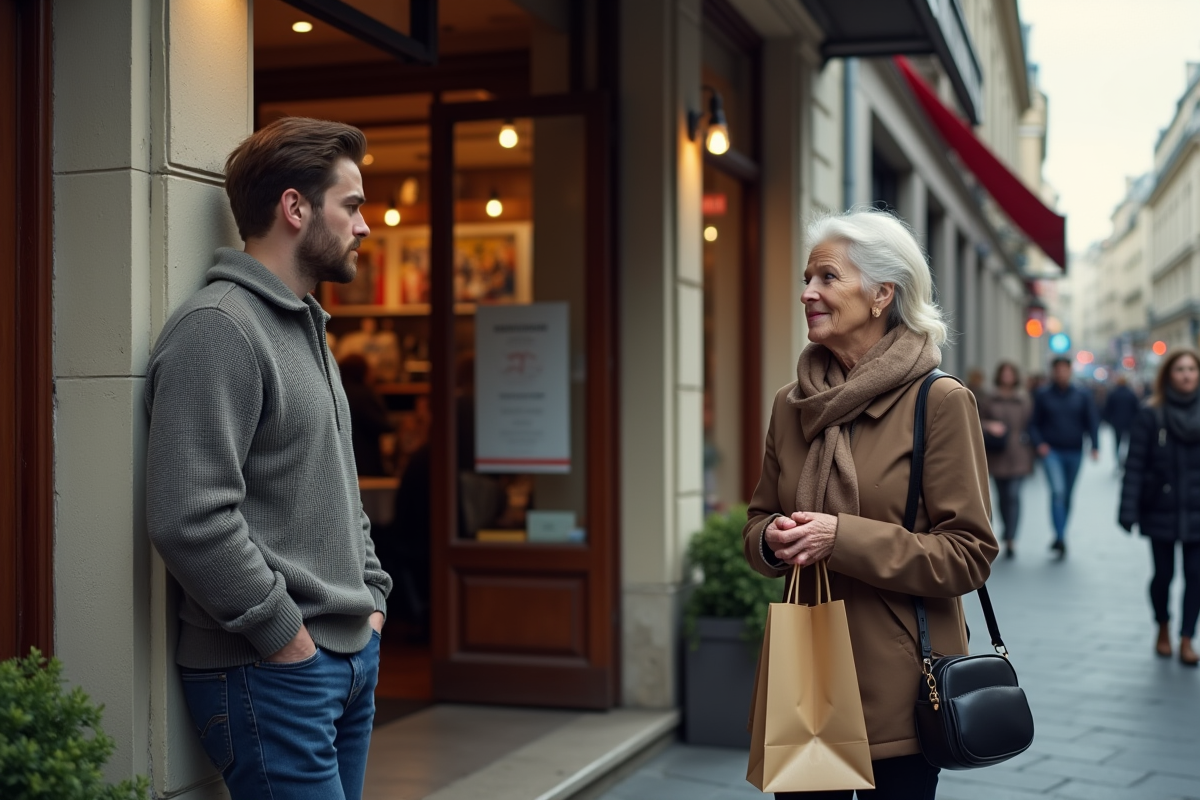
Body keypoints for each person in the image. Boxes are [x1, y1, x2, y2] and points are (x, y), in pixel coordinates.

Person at [145, 117, 392, 800]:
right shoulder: (219, 329)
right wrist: (285, 637)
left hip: (346, 659)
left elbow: (340, 491)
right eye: (353, 204)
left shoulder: (309, 330)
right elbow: (189, 517)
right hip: (273, 671)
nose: (364, 226)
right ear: (295, 208)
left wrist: (373, 599)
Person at [743, 209, 996, 800]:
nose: (808, 292)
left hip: (903, 681)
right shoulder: (791, 404)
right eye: (807, 278)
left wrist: (840, 538)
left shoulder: (939, 401)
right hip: (808, 675)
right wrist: (772, 540)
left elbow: (968, 556)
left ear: (883, 293)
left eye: (827, 278)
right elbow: (757, 521)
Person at [1119, 349, 1200, 667]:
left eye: (1192, 369)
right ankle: (1163, 626)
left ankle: (1186, 637)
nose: (1186, 375)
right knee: (1163, 575)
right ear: (1169, 375)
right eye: (1180, 369)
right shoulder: (1150, 414)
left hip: (1196, 509)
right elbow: (1135, 465)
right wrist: (1128, 510)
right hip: (1160, 508)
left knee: (1195, 575)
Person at [1028, 357, 1100, 558]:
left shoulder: (1082, 395)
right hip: (1052, 452)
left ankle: (1061, 532)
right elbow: (1033, 423)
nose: (1060, 373)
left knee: (1067, 495)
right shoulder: (1043, 395)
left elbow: (1091, 420)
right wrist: (1039, 444)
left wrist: (1095, 445)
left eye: (1064, 370)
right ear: (1052, 372)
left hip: (1075, 451)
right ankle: (1059, 537)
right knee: (1058, 492)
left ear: (1070, 371)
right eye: (1057, 370)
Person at [979, 361, 1035, 559]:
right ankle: (1005, 530)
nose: (1007, 376)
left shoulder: (1024, 399)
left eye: (1011, 373)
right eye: (1004, 373)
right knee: (1002, 496)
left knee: (1013, 495)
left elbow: (1032, 424)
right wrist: (989, 426)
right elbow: (976, 420)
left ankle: (1011, 537)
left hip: (1019, 453)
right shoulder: (989, 398)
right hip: (997, 453)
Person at [339, 353, 395, 477]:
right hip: (365, 460)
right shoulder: (363, 395)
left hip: (341, 460)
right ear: (361, 372)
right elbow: (381, 424)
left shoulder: (336, 391)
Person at [1104, 375, 1141, 469]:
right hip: (1130, 423)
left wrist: (1108, 420)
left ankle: (1118, 461)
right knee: (1129, 444)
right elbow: (1136, 409)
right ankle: (1126, 461)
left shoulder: (1113, 394)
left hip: (1117, 423)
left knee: (1117, 444)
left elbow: (1108, 409)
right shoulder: (1131, 394)